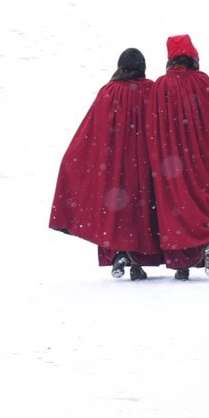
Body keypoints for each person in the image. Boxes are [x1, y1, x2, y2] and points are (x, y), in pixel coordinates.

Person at [49, 48, 162, 280]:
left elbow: (92, 131)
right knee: (143, 211)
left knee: (117, 210)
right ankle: (138, 257)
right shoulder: (151, 91)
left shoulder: (108, 92)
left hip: (115, 167)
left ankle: (119, 253)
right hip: (143, 165)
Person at [146, 35, 209, 280]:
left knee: (176, 205)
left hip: (171, 161)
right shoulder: (203, 82)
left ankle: (181, 262)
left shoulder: (161, 85)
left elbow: (153, 124)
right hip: (201, 158)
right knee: (204, 201)